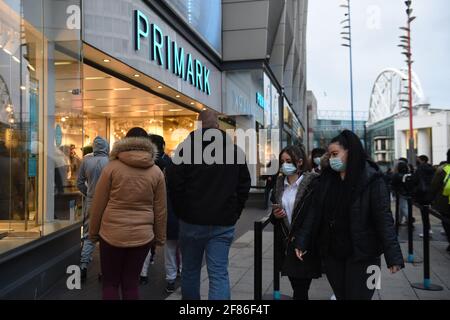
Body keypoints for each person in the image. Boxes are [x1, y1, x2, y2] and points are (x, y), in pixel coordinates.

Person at [297, 130, 404, 300]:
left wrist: (394, 257)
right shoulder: (326, 180)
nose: (332, 159)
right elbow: (314, 212)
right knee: (342, 296)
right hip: (333, 254)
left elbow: (384, 219)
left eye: (335, 154)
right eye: (330, 155)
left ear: (350, 152)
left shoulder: (374, 180)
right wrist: (302, 241)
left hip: (366, 256)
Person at [167, 110, 251, 300]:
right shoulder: (234, 151)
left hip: (191, 222)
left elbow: (173, 184)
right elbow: (244, 185)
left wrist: (182, 211)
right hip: (223, 222)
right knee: (219, 273)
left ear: (198, 126)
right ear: (218, 126)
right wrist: (234, 213)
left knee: (190, 270)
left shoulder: (184, 150)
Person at [89, 127, 167, 300]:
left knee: (110, 283)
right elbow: (160, 209)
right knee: (131, 284)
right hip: (142, 236)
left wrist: (93, 233)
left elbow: (98, 204)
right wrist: (160, 237)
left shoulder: (111, 168)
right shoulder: (156, 172)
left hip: (111, 234)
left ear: (125, 143)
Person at [270, 145, 321, 300]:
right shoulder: (279, 185)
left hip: (304, 244)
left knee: (301, 288)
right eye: (282, 161)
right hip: (286, 244)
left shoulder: (312, 184)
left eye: (289, 161)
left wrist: (302, 241)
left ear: (299, 162)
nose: (285, 164)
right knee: (296, 286)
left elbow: (314, 216)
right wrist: (275, 215)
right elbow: (275, 218)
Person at [140, 134, 181, 294]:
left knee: (146, 243)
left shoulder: (144, 164)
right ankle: (173, 275)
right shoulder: (169, 164)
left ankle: (143, 273)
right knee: (172, 245)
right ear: (162, 145)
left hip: (147, 209)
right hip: (167, 209)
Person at [76, 136, 109, 282]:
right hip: (107, 202)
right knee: (107, 236)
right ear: (106, 147)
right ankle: (104, 270)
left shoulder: (86, 161)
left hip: (91, 201)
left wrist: (88, 193)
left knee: (89, 234)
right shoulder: (111, 162)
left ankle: (83, 265)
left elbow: (79, 182)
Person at [428, 149, 450, 253]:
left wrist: (430, 199)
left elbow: (434, 187)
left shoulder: (443, 170)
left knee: (447, 222)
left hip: (445, 203)